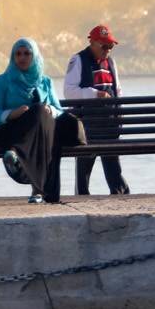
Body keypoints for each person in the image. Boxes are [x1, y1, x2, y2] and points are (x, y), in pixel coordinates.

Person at [0, 36, 89, 202]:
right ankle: (39, 190)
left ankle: (17, 157)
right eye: (18, 54)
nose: (22, 58)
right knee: (41, 118)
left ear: (35, 56)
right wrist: (12, 113)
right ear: (13, 57)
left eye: (27, 53)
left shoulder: (45, 81)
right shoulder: (2, 81)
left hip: (43, 132)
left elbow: (58, 110)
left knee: (42, 114)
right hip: (13, 132)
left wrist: (50, 110)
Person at [62, 23, 133, 194]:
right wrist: (95, 94)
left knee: (113, 169)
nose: (107, 50)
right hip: (87, 126)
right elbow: (69, 92)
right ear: (92, 43)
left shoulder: (111, 62)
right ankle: (82, 196)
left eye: (110, 46)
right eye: (104, 46)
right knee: (84, 170)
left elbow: (118, 90)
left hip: (110, 127)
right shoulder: (78, 60)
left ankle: (120, 195)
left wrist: (119, 113)